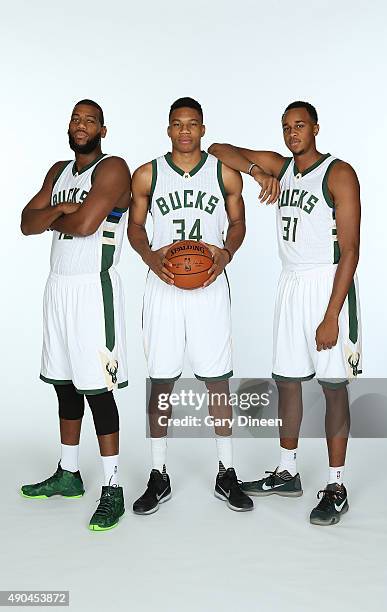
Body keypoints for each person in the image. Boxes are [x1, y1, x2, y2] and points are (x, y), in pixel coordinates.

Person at [209, 101, 362, 525]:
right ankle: (288, 472)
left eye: (300, 126)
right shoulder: (281, 167)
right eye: (286, 127)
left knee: (333, 387)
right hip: (291, 282)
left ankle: (336, 486)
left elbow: (350, 250)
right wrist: (258, 172)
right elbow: (220, 149)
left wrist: (332, 314)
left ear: (316, 128)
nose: (292, 133)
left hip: (328, 283)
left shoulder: (338, 173)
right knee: (288, 383)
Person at [128, 97, 253, 514]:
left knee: (217, 381)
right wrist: (149, 257)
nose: (185, 131)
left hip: (210, 285)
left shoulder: (223, 173)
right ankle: (158, 474)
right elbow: (135, 226)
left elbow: (237, 224)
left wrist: (226, 254)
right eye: (178, 124)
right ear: (168, 129)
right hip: (163, 286)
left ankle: (226, 472)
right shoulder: (148, 173)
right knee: (161, 381)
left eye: (192, 124)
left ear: (202, 129)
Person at [20, 99, 131, 531]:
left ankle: (113, 488)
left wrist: (62, 215)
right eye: (76, 119)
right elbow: (26, 222)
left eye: (90, 120)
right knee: (64, 385)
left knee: (97, 390)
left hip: (92, 287)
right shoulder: (58, 171)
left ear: (103, 129)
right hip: (58, 285)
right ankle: (69, 473)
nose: (81, 125)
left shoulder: (113, 168)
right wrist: (62, 211)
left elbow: (86, 225)